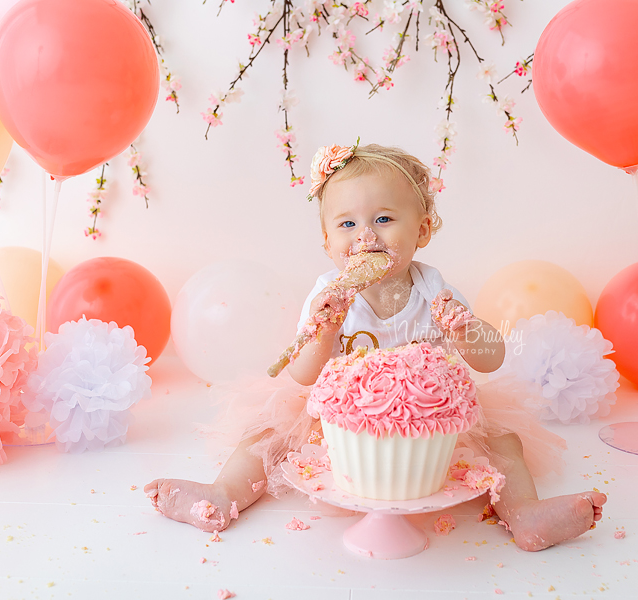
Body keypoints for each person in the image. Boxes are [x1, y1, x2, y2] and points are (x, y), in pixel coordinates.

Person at [145, 142, 606, 551]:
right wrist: (324, 332)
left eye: (384, 219)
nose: (366, 235)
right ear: (328, 242)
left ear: (422, 231)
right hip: (337, 421)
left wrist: (467, 331)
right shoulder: (330, 292)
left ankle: (525, 514)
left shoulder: (433, 290)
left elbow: (492, 357)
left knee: (504, 440)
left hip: (426, 421)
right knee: (265, 437)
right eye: (347, 224)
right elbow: (303, 374)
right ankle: (223, 494)